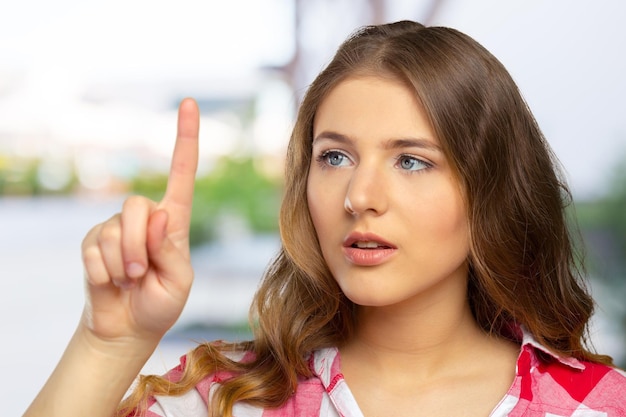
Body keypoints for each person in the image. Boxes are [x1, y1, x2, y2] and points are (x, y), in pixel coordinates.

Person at [24, 20, 626, 417]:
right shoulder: (224, 398)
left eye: (412, 161)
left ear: (491, 189)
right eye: (334, 156)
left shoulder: (596, 406)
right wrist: (110, 343)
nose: (359, 196)